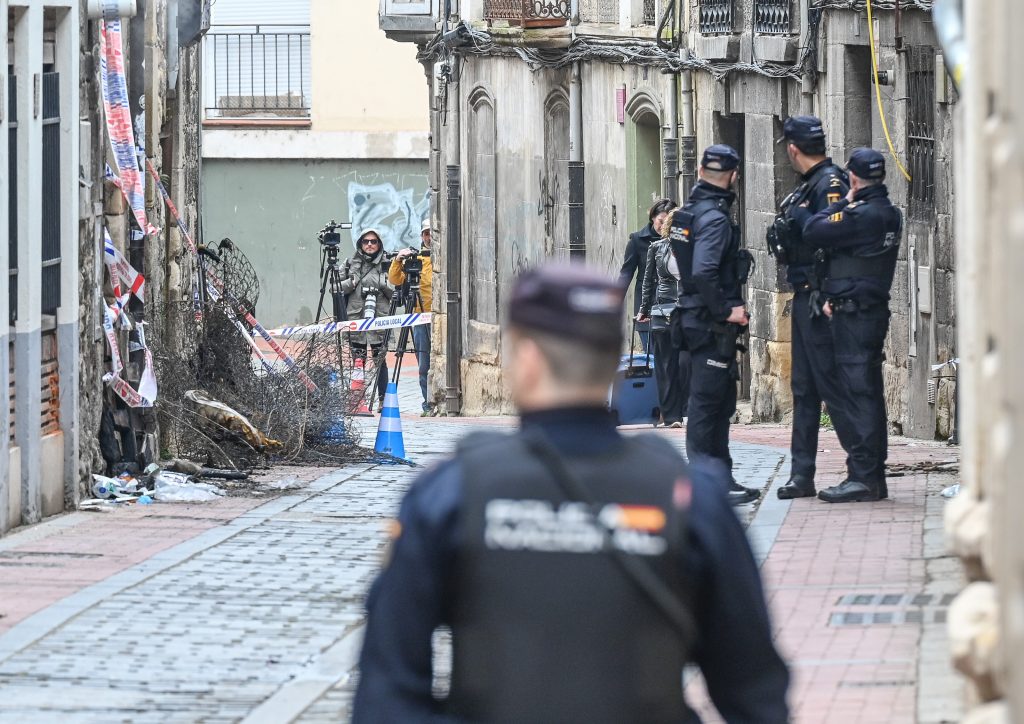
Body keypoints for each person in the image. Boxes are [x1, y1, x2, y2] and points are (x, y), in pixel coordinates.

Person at [352, 264, 790, 723]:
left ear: (528, 358)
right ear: (610, 360)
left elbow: (386, 693)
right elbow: (754, 687)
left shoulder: (451, 493)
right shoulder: (689, 497)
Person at [800, 148, 902, 503]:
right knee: (868, 392)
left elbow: (813, 229)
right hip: (868, 312)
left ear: (854, 178)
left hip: (855, 317)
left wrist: (841, 202)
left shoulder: (861, 215)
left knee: (858, 393)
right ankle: (871, 475)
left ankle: (864, 476)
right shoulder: (890, 213)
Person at [769, 116, 856, 500]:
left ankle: (862, 468)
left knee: (831, 387)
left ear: (792, 149)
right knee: (804, 388)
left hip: (821, 298)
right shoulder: (810, 185)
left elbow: (836, 241)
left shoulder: (830, 183)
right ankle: (801, 474)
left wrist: (829, 295)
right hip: (805, 294)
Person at [672, 145, 760, 506]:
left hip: (692, 317)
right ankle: (710, 483)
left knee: (713, 402)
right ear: (734, 175)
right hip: (709, 323)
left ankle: (719, 478)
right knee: (709, 404)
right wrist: (728, 311)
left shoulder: (685, 214)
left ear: (699, 174)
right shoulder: (714, 219)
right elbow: (704, 271)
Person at [637, 205, 691, 428]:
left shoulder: (697, 248)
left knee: (687, 362)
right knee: (666, 364)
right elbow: (648, 281)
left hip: (690, 309)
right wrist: (644, 308)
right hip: (664, 310)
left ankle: (687, 410)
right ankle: (671, 416)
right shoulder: (657, 248)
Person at [341, 228, 393, 409]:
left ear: (379, 244)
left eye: (373, 241)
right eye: (366, 241)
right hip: (357, 318)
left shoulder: (388, 264)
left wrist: (382, 284)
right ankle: (358, 400)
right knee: (358, 359)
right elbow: (334, 288)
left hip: (379, 319)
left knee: (380, 361)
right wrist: (351, 282)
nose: (369, 244)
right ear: (360, 243)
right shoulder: (350, 263)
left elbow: (397, 291)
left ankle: (383, 401)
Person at [389, 218, 435, 416]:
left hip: (443, 317)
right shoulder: (414, 260)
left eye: (432, 233)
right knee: (423, 363)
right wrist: (398, 260)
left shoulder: (444, 257)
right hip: (419, 317)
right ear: (421, 236)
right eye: (426, 233)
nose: (429, 237)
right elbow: (395, 279)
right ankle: (428, 403)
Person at [621, 198, 675, 352]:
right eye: (660, 220)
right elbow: (626, 274)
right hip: (647, 307)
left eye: (668, 222)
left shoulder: (680, 242)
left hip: (673, 306)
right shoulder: (637, 240)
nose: (663, 226)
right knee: (652, 358)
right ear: (652, 217)